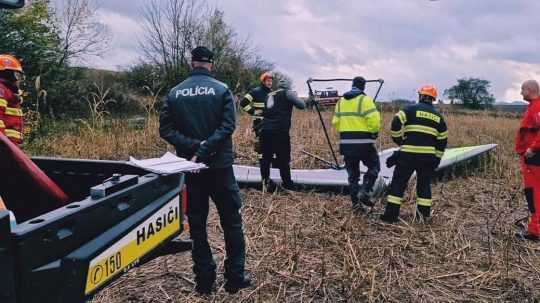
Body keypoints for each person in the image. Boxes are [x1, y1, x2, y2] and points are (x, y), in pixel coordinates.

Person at [159, 46, 250, 294]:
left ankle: (204, 282)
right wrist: (207, 147)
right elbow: (228, 125)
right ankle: (235, 279)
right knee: (232, 222)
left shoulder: (175, 93)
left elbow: (165, 130)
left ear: (192, 63)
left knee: (197, 226)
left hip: (191, 169)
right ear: (211, 64)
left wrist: (193, 146)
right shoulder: (222, 90)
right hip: (220, 168)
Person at [381, 85, 448, 223]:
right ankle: (422, 217)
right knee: (424, 186)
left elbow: (396, 122)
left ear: (421, 96)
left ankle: (390, 216)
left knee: (398, 184)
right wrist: (437, 159)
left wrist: (399, 140)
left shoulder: (410, 109)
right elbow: (442, 141)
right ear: (433, 99)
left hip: (407, 155)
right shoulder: (439, 118)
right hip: (427, 158)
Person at [332, 76, 381, 211]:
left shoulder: (341, 102)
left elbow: (335, 122)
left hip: (346, 143)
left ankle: (356, 205)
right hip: (364, 142)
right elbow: (374, 120)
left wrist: (347, 131)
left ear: (352, 85)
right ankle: (365, 191)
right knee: (374, 166)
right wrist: (373, 132)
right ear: (363, 87)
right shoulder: (365, 100)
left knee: (352, 176)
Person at [259, 79, 305, 190]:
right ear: (288, 86)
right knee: (283, 159)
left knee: (265, 158)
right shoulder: (288, 93)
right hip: (280, 132)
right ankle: (287, 184)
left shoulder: (269, 94)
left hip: (265, 130)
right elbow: (302, 105)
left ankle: (265, 183)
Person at [515, 79, 540, 241]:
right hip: (530, 159)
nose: (521, 93)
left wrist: (532, 148)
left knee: (534, 194)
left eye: (522, 89)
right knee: (533, 193)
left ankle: (535, 231)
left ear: (530, 90)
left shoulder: (537, 107)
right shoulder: (533, 107)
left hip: (534, 159)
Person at [240, 72, 273, 165]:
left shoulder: (272, 93)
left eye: (271, 81)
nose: (270, 83)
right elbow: (243, 103)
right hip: (259, 122)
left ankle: (271, 163)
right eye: (268, 81)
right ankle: (261, 163)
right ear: (263, 81)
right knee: (261, 144)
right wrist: (253, 111)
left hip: (271, 122)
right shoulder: (255, 91)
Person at [0, 54, 24, 145]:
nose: (19, 80)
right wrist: (3, 143)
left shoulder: (7, 91)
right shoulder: (1, 90)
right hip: (5, 145)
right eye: (17, 75)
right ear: (9, 75)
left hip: (9, 145)